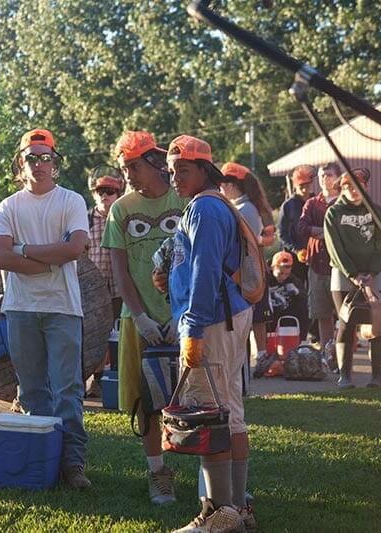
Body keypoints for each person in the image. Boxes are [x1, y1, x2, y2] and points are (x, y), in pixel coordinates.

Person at [159, 135, 254, 532]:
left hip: (212, 321)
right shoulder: (212, 206)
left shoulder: (205, 209)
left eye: (183, 169)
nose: (175, 177)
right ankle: (237, 509)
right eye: (171, 170)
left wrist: (192, 329)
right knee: (230, 411)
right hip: (227, 317)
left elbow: (205, 272)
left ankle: (217, 515)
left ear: (204, 170)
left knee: (208, 415)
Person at [0, 128, 91, 489]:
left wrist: (24, 249)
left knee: (67, 389)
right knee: (32, 391)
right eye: (31, 157)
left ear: (55, 162)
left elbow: (74, 249)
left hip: (63, 308)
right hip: (20, 309)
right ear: (21, 163)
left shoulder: (71, 201)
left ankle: (72, 464)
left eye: (45, 157)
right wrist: (48, 255)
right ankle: (42, 460)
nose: (39, 164)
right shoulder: (8, 206)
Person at [101, 130, 185, 504]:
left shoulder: (184, 200)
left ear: (153, 162)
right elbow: (121, 272)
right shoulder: (121, 209)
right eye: (124, 168)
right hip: (139, 320)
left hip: (188, 317)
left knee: (195, 398)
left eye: (133, 166)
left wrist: (184, 313)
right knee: (148, 401)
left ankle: (208, 473)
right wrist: (141, 316)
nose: (128, 175)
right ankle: (158, 473)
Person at [324, 168, 381, 389]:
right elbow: (335, 249)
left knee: (378, 324)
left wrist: (372, 272)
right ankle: (345, 376)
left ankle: (377, 376)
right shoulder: (334, 213)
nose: (354, 190)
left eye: (358, 185)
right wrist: (353, 274)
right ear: (341, 188)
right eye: (348, 186)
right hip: (344, 276)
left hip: (375, 275)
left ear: (366, 186)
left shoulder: (376, 211)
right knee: (346, 324)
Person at [219, 162, 273, 384]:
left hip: (248, 275)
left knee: (247, 322)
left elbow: (245, 244)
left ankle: (246, 375)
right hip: (246, 274)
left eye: (222, 184)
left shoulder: (245, 210)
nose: (220, 189)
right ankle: (245, 374)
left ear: (232, 185)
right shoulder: (242, 207)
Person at [85, 166, 124, 398]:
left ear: (118, 193)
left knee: (120, 336)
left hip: (121, 287)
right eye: (100, 191)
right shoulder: (86, 220)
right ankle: (96, 380)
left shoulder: (124, 217)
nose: (104, 195)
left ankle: (118, 380)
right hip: (94, 289)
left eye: (110, 191)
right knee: (95, 337)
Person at [297, 162, 342, 358]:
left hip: (340, 266)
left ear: (338, 178)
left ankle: (343, 354)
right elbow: (301, 227)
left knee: (345, 315)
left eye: (329, 175)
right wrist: (321, 231)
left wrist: (328, 233)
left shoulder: (344, 202)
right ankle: (326, 353)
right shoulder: (312, 203)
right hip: (317, 264)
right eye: (322, 175)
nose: (325, 178)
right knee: (322, 313)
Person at [279, 165, 314, 283]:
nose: (305, 189)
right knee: (297, 292)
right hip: (294, 258)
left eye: (307, 185)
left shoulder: (317, 202)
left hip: (316, 255)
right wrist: (297, 250)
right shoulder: (288, 205)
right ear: (295, 185)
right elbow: (282, 234)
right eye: (301, 186)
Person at [267, 251, 308, 340]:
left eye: (287, 274)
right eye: (280, 273)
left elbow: (305, 297)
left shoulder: (292, 279)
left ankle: (301, 340)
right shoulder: (265, 278)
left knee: (303, 307)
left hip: (287, 311)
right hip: (270, 312)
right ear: (272, 267)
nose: (283, 277)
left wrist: (297, 292)